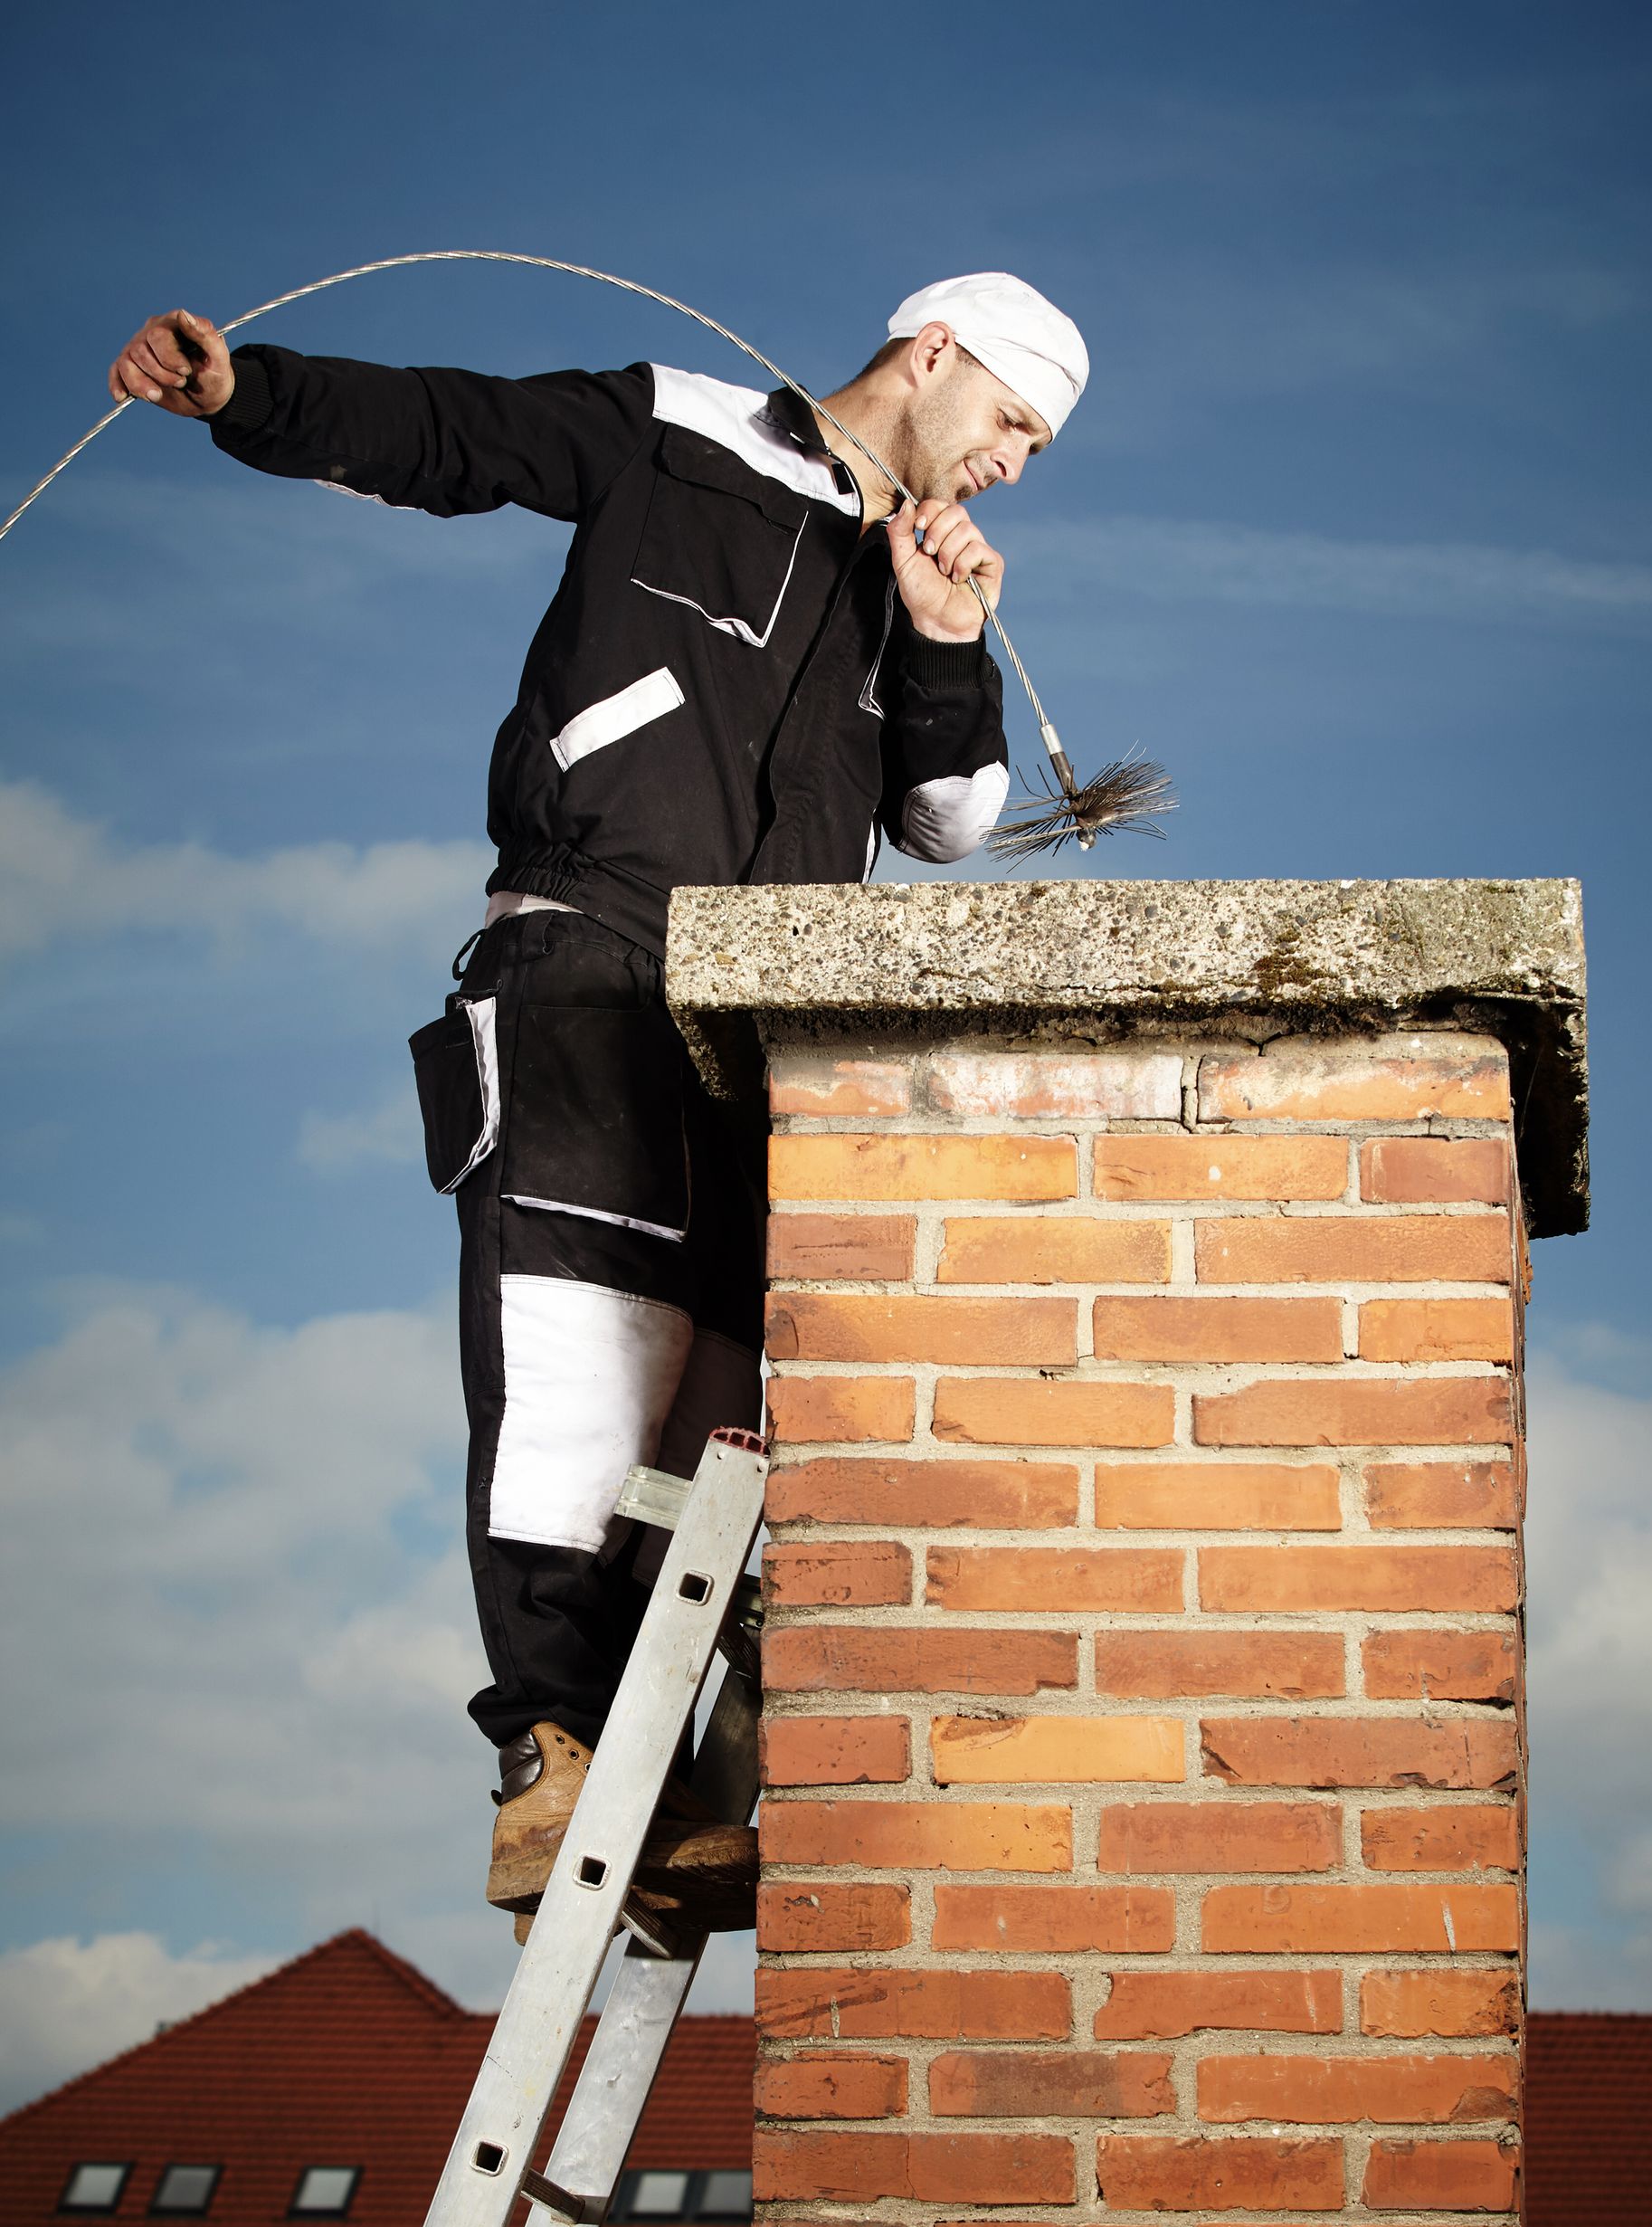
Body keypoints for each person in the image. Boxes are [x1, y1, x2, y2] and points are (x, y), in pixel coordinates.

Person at [107, 271, 1090, 1934]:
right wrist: (241, 392)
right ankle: (549, 1760)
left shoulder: (919, 570)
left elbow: (947, 823)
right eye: (1010, 422)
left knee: (715, 1397)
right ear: (936, 353)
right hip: (586, 952)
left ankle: (659, 1777)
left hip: (762, 1026)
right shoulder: (677, 430)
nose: (1011, 463)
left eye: (1035, 450)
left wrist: (941, 637)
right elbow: (448, 432)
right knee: (575, 1352)